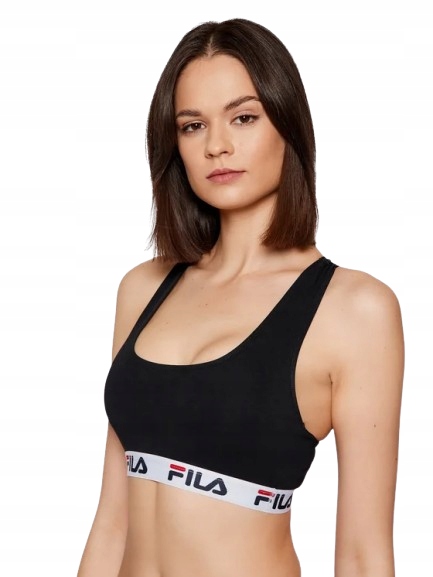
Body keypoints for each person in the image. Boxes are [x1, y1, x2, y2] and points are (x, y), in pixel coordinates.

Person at [77, 18, 404, 577]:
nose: (217, 146)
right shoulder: (143, 289)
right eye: (192, 126)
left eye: (244, 117)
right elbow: (112, 521)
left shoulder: (354, 309)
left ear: (288, 123)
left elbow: (361, 554)